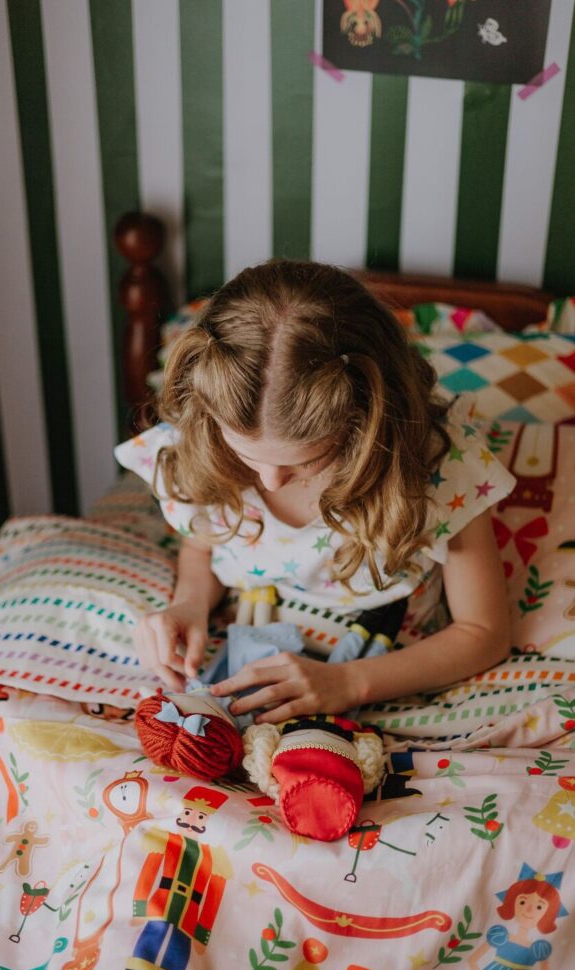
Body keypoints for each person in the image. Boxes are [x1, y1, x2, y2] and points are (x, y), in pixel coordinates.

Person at [117, 261, 513, 723]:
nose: (268, 482)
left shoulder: (440, 468)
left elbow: (485, 631)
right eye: (248, 455)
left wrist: (347, 684)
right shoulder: (200, 444)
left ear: (367, 425)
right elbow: (202, 547)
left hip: (384, 658)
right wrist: (188, 605)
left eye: (304, 462)